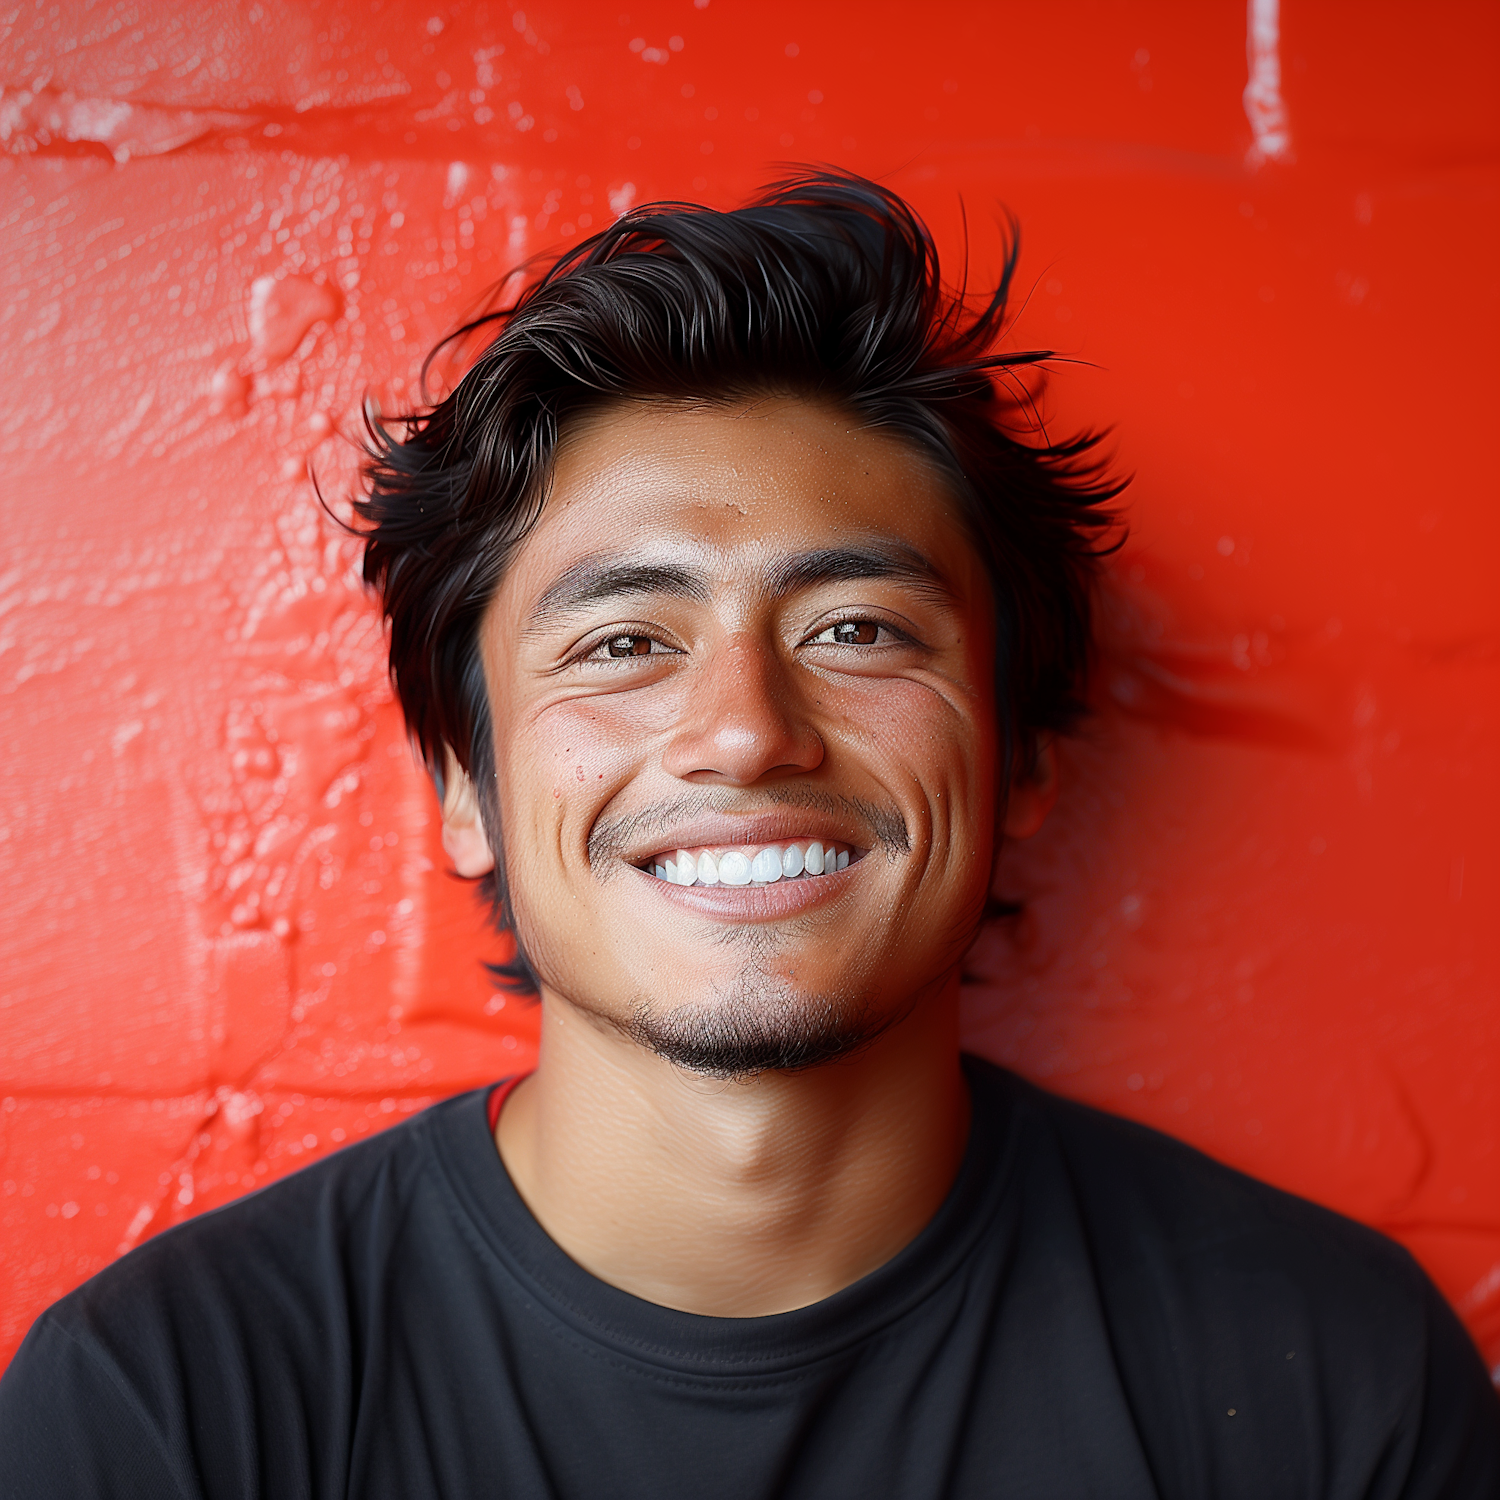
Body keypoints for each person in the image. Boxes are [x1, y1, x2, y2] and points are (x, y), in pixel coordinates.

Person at [1, 170, 1495, 1499]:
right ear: (466, 785)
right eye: (623, 643)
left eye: (853, 627)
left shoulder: (1328, 1376)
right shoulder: (168, 1410)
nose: (743, 728)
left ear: (1026, 752)